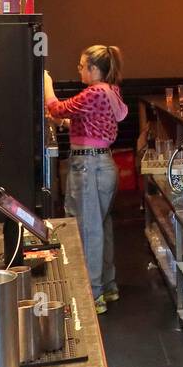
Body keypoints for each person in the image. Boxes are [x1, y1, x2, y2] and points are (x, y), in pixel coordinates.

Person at [44, 45, 129, 315]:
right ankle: (108, 284)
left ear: (94, 69)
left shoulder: (94, 92)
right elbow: (95, 124)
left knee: (90, 230)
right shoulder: (111, 91)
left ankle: (93, 295)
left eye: (82, 66)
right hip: (102, 162)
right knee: (101, 225)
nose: (79, 70)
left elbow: (58, 108)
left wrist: (46, 83)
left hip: (88, 166)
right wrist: (68, 125)